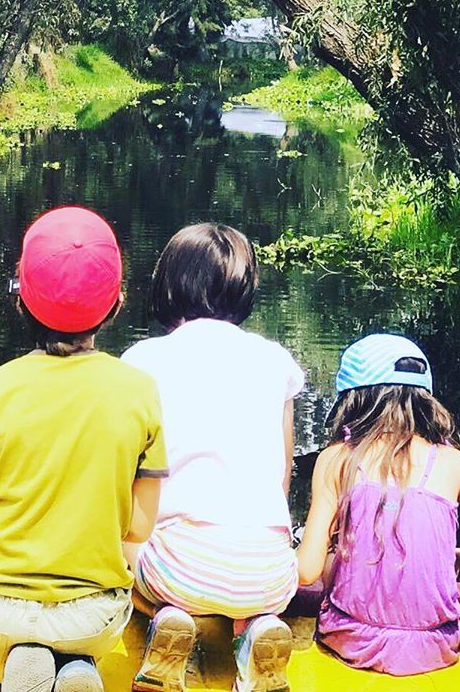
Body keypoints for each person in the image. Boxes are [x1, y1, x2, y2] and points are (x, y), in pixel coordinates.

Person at [0, 206, 168, 692]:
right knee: (83, 634)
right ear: (116, 303)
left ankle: (19, 664)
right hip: (92, 620)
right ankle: (74, 664)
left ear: (21, 300)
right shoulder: (140, 393)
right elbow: (139, 528)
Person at [121, 223, 303, 692]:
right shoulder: (275, 360)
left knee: (122, 542)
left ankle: (165, 617)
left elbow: (122, 475)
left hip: (178, 568)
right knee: (251, 572)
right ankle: (258, 629)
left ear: (169, 282)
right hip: (271, 575)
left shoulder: (142, 360)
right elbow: (283, 475)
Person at [296, 332, 460, 677]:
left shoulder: (336, 458)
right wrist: (452, 557)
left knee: (332, 555)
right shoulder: (453, 462)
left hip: (351, 639)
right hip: (435, 647)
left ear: (352, 399)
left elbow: (307, 571)